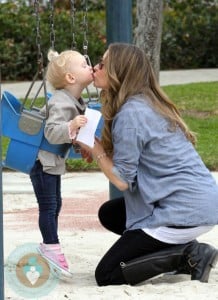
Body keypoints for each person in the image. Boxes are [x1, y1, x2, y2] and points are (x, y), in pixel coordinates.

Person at [78, 43, 218, 286]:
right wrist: (100, 150)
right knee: (110, 214)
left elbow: (122, 180)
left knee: (107, 275)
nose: (95, 68)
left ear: (118, 72)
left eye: (102, 64)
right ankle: (185, 246)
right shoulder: (145, 103)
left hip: (183, 210)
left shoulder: (131, 113)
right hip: (199, 203)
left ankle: (186, 255)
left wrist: (97, 149)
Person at [30, 48, 93, 278]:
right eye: (85, 66)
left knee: (56, 205)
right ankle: (51, 246)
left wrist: (79, 145)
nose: (91, 67)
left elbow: (68, 137)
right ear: (71, 78)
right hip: (42, 163)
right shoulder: (60, 102)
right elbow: (52, 133)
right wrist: (73, 124)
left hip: (51, 162)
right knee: (48, 206)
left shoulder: (74, 101)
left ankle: (50, 245)